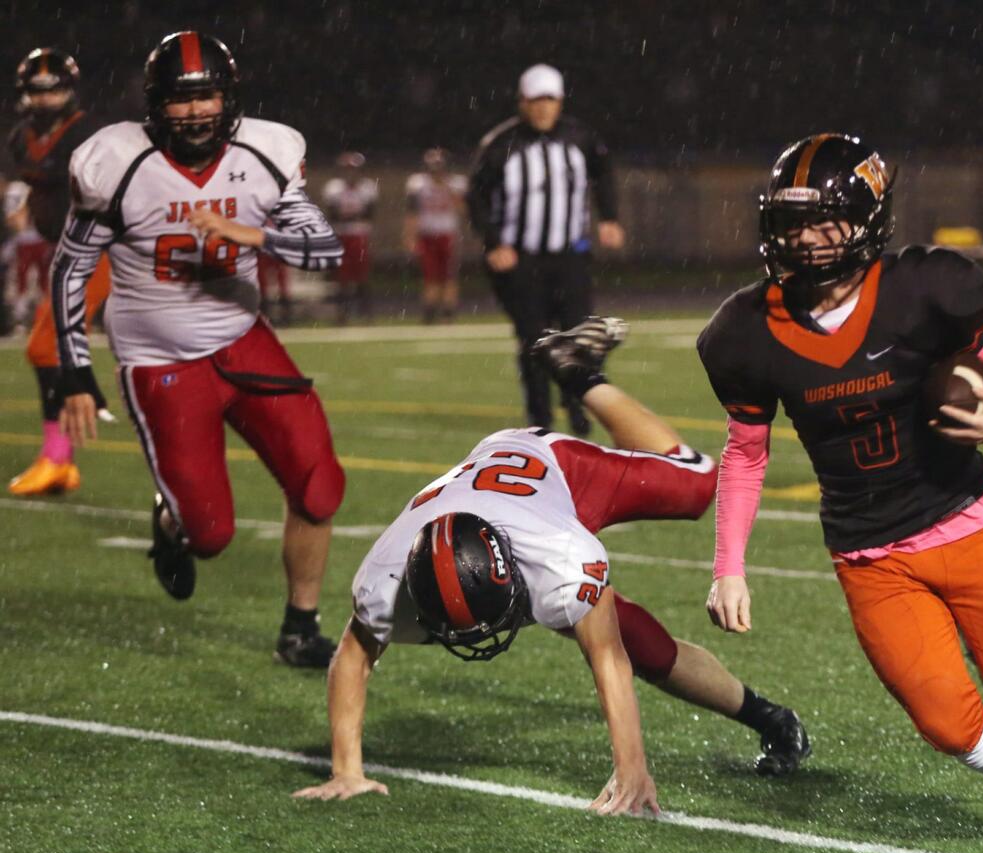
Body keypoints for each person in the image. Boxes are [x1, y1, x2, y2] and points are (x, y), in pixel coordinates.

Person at [696, 134, 983, 853]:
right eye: (792, 220)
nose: (807, 238)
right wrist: (728, 565)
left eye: (826, 219)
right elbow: (744, 453)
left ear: (867, 218)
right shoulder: (742, 331)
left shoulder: (925, 288)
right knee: (947, 725)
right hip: (869, 556)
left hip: (964, 525)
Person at [293, 317, 811, 810]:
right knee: (643, 640)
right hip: (490, 504)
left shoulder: (559, 556)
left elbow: (607, 659)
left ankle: (580, 372)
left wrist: (632, 768)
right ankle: (770, 718)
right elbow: (353, 658)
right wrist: (347, 771)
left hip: (555, 473)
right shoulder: (385, 581)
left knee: (699, 484)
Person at [52, 31, 346, 668]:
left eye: (206, 96)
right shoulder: (115, 162)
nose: (194, 112)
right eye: (180, 100)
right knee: (210, 537)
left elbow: (326, 252)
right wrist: (73, 373)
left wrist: (252, 232)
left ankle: (300, 626)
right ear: (156, 104)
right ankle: (171, 522)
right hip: (161, 361)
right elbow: (70, 269)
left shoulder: (268, 151)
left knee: (320, 487)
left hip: (244, 340)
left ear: (228, 97)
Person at [467, 63, 625, 437]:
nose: (542, 107)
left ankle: (578, 408)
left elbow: (604, 173)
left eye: (549, 99)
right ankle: (540, 419)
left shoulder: (580, 138)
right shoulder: (501, 144)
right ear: (522, 102)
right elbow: (476, 197)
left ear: (560, 102)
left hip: (569, 255)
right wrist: (493, 242)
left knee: (579, 338)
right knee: (535, 339)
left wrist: (610, 217)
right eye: (535, 100)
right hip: (521, 259)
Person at [4, 48, 112, 497]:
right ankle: (60, 460)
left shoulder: (87, 134)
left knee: (46, 347)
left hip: (102, 250)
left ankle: (57, 458)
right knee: (47, 350)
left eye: (54, 90)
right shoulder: (19, 138)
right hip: (68, 254)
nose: (46, 99)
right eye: (38, 90)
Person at [403, 147, 465, 324]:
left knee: (449, 276)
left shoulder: (456, 183)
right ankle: (429, 312)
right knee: (430, 276)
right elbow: (412, 212)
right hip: (427, 235)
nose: (437, 172)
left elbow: (463, 209)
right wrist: (409, 236)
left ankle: (448, 312)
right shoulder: (418, 184)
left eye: (440, 167)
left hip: (448, 235)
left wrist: (447, 188)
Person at [322, 151, 378, 323]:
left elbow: (369, 214)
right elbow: (332, 214)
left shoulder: (368, 187)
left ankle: (366, 313)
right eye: (347, 169)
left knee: (361, 275)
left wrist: (349, 216)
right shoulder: (334, 188)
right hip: (341, 234)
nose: (350, 173)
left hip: (359, 234)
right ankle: (342, 314)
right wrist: (351, 216)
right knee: (341, 277)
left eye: (353, 169)